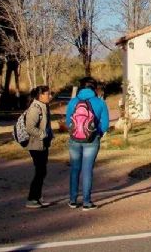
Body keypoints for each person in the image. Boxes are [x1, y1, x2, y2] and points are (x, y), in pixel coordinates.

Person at [65, 77, 110, 210]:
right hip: (92, 139)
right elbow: (106, 124)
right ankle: (86, 202)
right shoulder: (100, 103)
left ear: (81, 87)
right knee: (87, 170)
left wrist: (75, 132)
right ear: (94, 88)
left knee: (74, 169)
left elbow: (68, 122)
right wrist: (97, 133)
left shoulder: (73, 102)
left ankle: (72, 200)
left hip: (74, 140)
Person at [24, 85, 54, 208]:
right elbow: (30, 128)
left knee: (42, 171)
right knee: (40, 172)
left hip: (43, 144)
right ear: (40, 95)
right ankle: (32, 198)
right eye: (48, 94)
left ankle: (37, 197)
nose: (50, 96)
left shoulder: (44, 106)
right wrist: (43, 134)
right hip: (36, 145)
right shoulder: (35, 108)